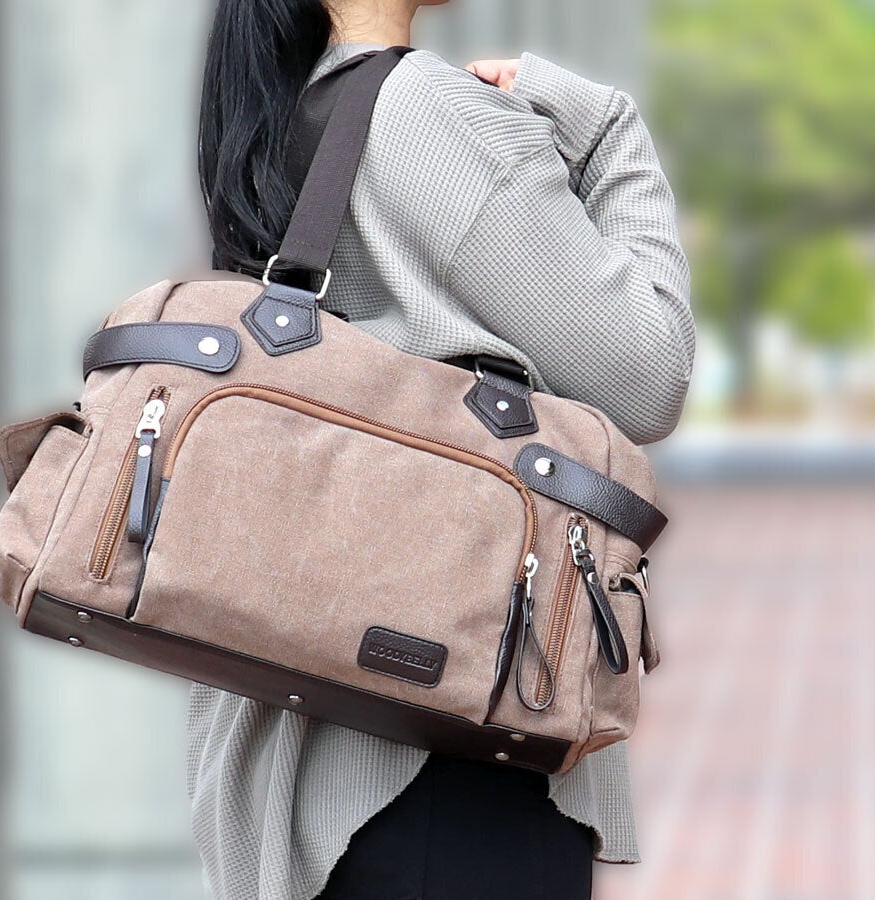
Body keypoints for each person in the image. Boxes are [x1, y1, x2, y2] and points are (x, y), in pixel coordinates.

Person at [187, 1, 695, 897]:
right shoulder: (428, 114)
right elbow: (647, 373)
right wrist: (607, 128)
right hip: (448, 756)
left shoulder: (284, 117)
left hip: (304, 764)